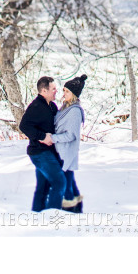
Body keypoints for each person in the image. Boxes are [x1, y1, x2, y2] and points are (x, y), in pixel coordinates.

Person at [19, 76, 66, 211]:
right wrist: (42, 137)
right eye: (53, 89)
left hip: (49, 152)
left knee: (43, 187)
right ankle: (52, 217)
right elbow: (24, 126)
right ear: (44, 91)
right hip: (40, 152)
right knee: (59, 182)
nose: (56, 91)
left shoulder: (52, 106)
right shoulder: (36, 106)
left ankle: (37, 217)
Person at [52, 74, 87, 213]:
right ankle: (76, 211)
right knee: (69, 182)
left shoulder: (74, 112)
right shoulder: (65, 107)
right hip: (60, 151)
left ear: (74, 94)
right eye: (64, 90)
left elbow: (71, 135)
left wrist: (53, 138)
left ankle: (70, 212)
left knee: (65, 184)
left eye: (67, 91)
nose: (64, 93)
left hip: (66, 152)